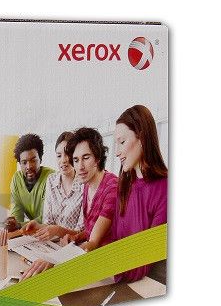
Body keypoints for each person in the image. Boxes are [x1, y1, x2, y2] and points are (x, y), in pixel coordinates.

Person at [21, 128, 117, 280]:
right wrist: (75, 237)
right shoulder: (88, 185)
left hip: (110, 269)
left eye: (86, 158)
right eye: (76, 160)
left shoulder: (112, 187)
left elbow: (93, 243)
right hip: (91, 262)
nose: (80, 166)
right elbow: (89, 231)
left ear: (98, 158)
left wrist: (53, 259)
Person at [112, 105, 168, 283]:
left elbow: (147, 255)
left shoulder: (165, 189)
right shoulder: (124, 186)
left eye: (122, 142)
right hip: (123, 277)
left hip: (151, 283)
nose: (117, 152)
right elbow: (117, 241)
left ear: (142, 138)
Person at [4, 134, 54, 232]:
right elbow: (17, 215)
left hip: (52, 231)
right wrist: (13, 223)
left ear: (40, 159)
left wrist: (19, 225)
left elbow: (48, 218)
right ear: (19, 163)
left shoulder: (52, 178)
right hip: (33, 233)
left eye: (33, 161)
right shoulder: (17, 179)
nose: (29, 166)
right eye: (24, 162)